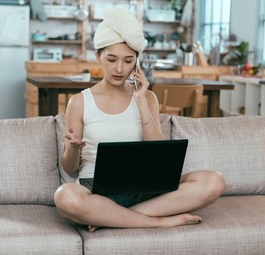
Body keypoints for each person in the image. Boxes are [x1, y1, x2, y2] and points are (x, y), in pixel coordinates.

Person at [54, 8, 225, 232]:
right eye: (112, 59)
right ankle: (158, 221)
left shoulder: (148, 98)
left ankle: (111, 218)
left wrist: (141, 101)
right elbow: (69, 169)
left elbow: (159, 154)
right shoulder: (79, 102)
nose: (119, 69)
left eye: (128, 61)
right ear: (98, 56)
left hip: (144, 188)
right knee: (65, 196)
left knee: (214, 181)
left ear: (136, 62)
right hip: (95, 189)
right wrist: (73, 148)